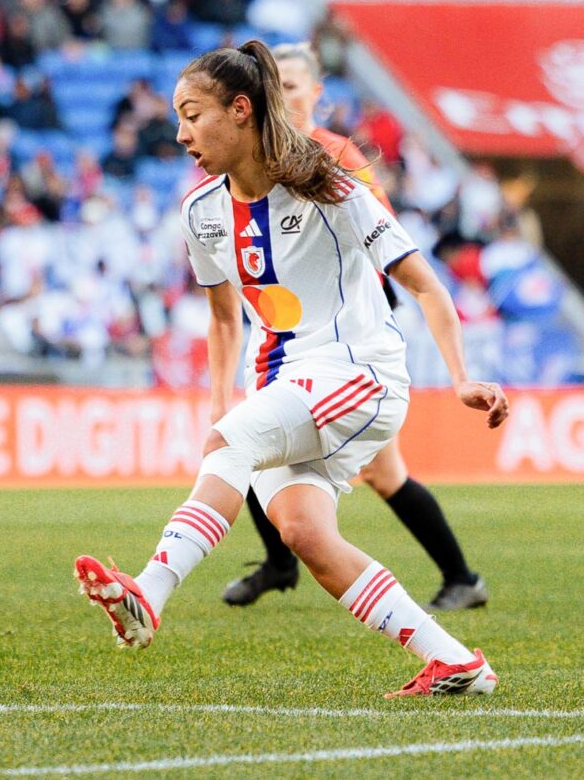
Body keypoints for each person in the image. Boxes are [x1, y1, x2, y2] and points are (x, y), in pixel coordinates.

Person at [73, 41, 509, 697]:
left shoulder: (331, 187)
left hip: (357, 371)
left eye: (192, 115)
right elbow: (225, 319)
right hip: (282, 382)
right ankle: (454, 660)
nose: (181, 133)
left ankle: (150, 591)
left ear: (240, 110)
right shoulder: (201, 213)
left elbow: (424, 284)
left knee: (233, 446)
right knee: (304, 533)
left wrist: (461, 376)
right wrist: (221, 401)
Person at [213, 42, 490, 612]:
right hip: (289, 339)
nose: (280, 96)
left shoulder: (336, 156)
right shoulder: (249, 165)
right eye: (273, 86)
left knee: (380, 474)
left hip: (348, 341)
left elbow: (380, 240)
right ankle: (282, 561)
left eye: (292, 86)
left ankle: (461, 576)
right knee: (254, 443)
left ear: (316, 94)